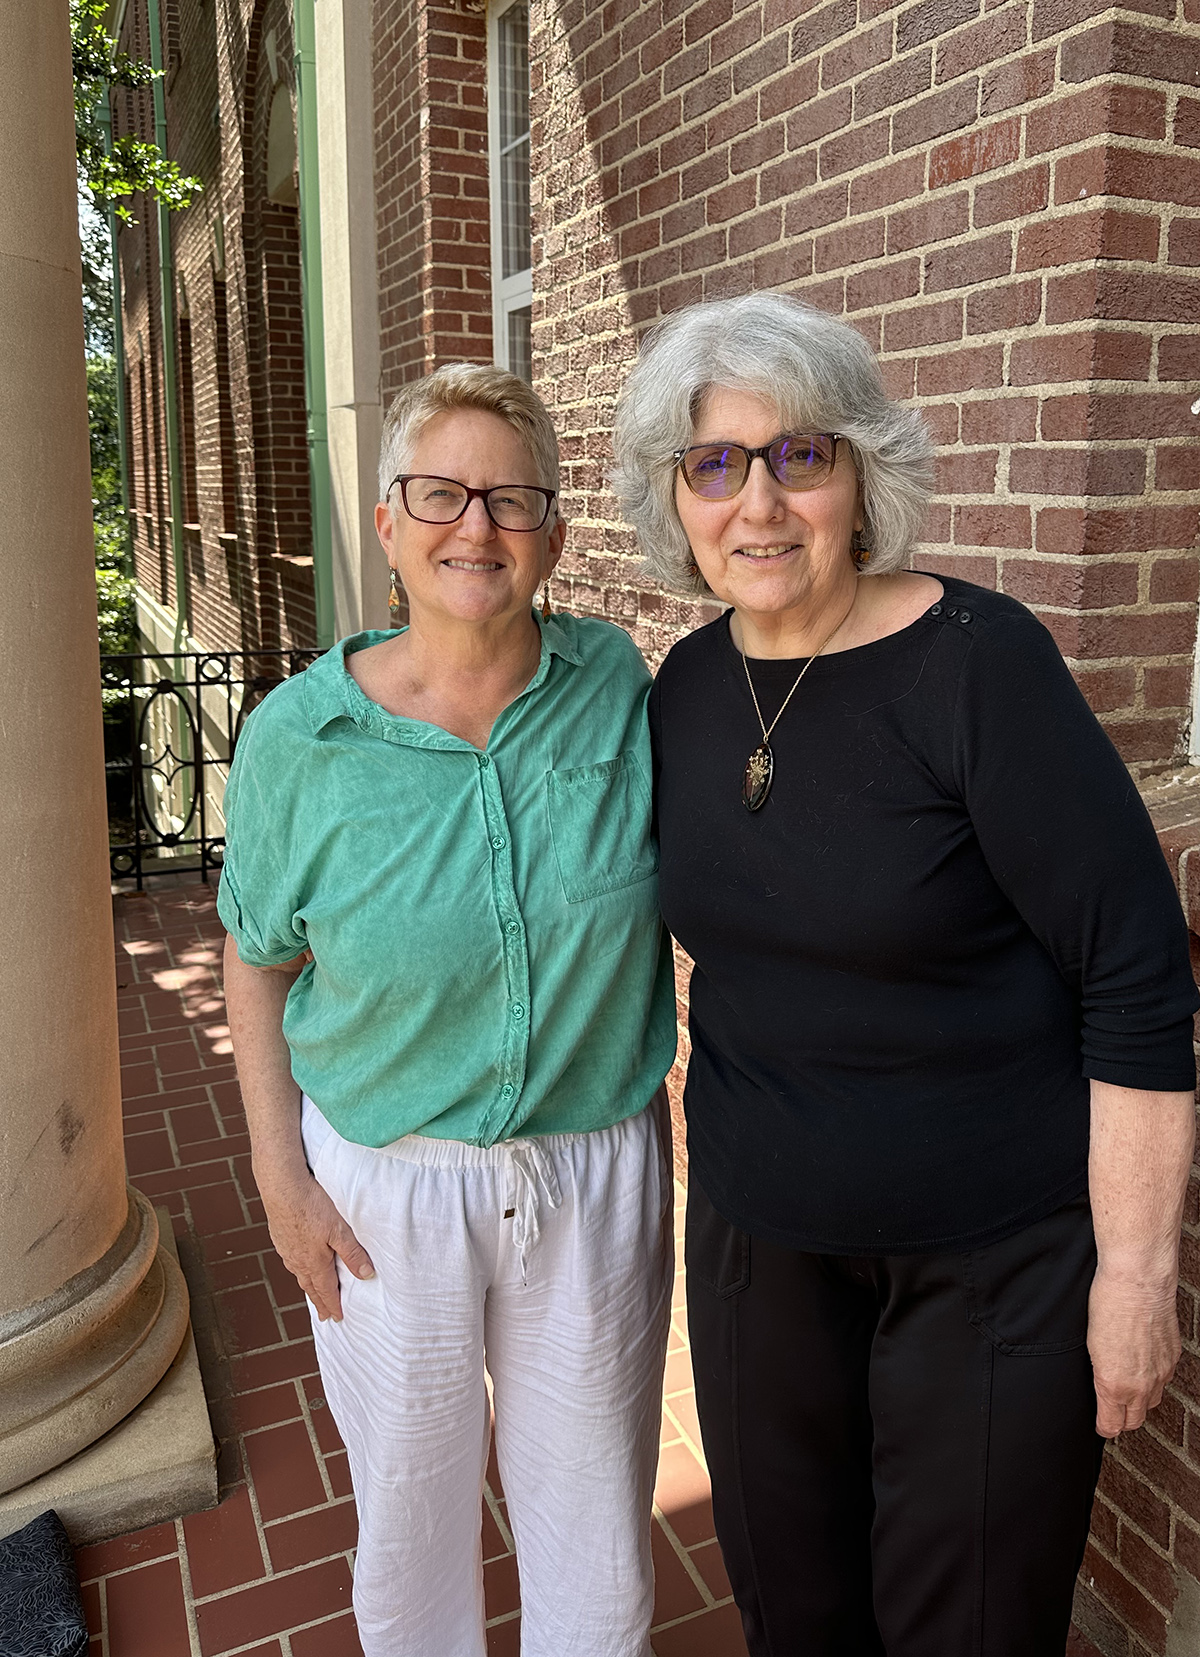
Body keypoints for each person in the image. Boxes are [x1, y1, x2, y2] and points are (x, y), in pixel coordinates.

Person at [612, 291, 1199, 1657]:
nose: (758, 501)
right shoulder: (685, 692)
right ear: (676, 499)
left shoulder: (980, 665)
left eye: (798, 455)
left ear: (860, 470)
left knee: (973, 1620)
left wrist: (1136, 1277)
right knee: (793, 1602)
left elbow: (1135, 973)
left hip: (993, 1262)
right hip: (762, 1245)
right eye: (715, 463)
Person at [219, 363, 677, 1657]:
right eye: (440, 493)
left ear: (554, 537)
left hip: (593, 1172)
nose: (475, 525)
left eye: (512, 498)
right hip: (385, 1197)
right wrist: (276, 1169)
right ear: (387, 525)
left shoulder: (618, 691)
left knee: (594, 1528)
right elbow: (256, 958)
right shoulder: (295, 741)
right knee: (412, 1530)